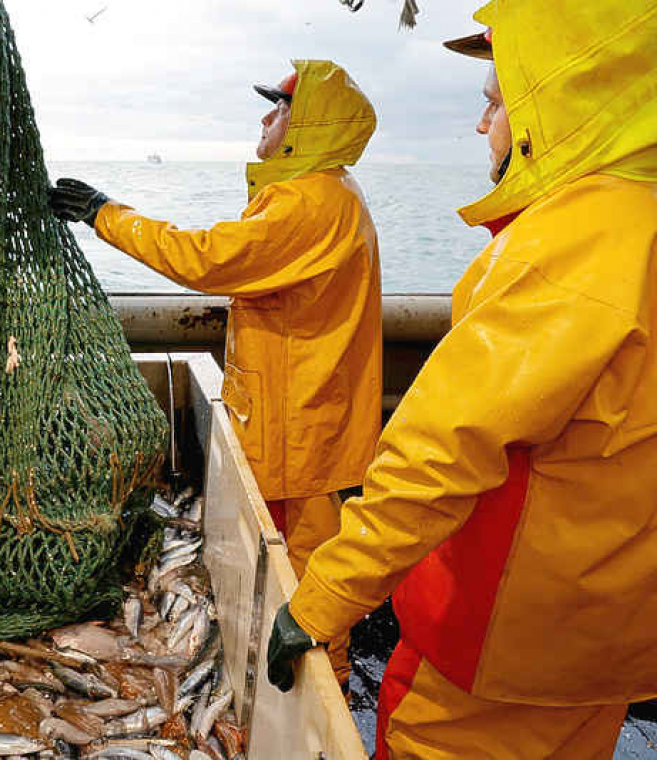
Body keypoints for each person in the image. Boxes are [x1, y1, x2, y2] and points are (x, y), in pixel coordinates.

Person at [266, 3, 657, 758]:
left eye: (495, 100)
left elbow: (440, 452)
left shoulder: (572, 243)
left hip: (495, 656)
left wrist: (321, 601)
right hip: (609, 650)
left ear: (562, 101)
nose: (484, 126)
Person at [50, 59, 382, 689]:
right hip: (305, 416)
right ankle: (303, 675)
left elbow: (205, 260)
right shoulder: (320, 193)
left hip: (302, 430)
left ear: (306, 127)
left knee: (308, 568)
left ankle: (325, 694)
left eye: (279, 108)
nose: (265, 118)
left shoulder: (310, 201)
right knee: (300, 560)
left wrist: (103, 213)